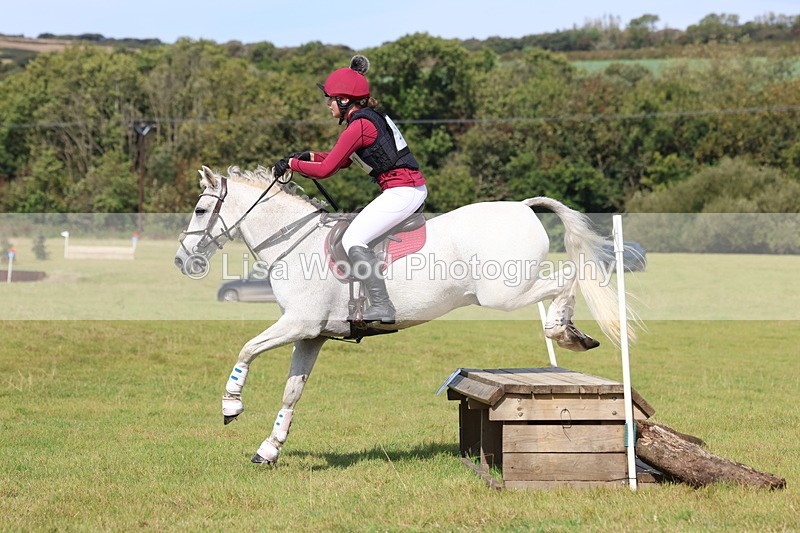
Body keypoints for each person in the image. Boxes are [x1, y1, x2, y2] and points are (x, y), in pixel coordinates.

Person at [273, 55, 427, 325]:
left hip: (404, 190)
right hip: (403, 188)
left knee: (353, 238)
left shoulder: (361, 125)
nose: (327, 104)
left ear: (345, 100)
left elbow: (326, 170)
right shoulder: (366, 120)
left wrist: (291, 164)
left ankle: (382, 306)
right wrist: (307, 156)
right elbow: (340, 160)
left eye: (330, 99)